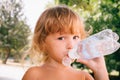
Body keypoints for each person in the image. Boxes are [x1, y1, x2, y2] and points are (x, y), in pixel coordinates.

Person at [22, 5, 109, 80]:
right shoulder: (34, 74)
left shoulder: (83, 77)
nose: (71, 45)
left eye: (75, 37)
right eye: (61, 38)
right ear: (42, 43)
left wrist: (100, 70)